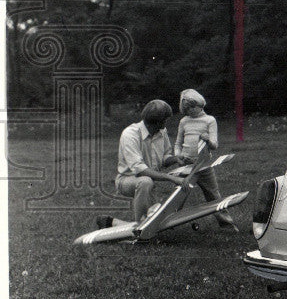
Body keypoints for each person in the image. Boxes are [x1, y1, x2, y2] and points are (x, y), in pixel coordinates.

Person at [99, 99, 185, 227]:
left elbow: (164, 158)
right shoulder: (130, 134)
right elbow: (140, 170)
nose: (166, 123)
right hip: (127, 179)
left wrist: (176, 159)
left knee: (157, 218)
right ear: (157, 122)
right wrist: (170, 178)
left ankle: (111, 222)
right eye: (165, 120)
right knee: (145, 181)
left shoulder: (162, 132)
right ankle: (141, 228)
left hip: (148, 180)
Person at [175, 88, 237, 229]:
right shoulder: (184, 121)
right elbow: (178, 143)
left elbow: (214, 145)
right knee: (178, 193)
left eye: (191, 108)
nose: (189, 111)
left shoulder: (210, 120)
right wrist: (178, 154)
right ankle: (169, 221)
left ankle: (226, 223)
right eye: (186, 109)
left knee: (213, 194)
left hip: (203, 164)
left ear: (200, 104)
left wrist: (207, 139)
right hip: (186, 164)